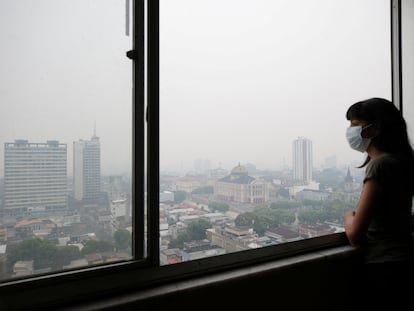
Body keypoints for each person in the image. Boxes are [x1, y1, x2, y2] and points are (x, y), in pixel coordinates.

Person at [344, 97, 414, 309]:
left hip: (385, 267)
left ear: (375, 129)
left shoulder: (380, 166)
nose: (350, 132)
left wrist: (348, 216)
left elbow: (355, 234)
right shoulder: (403, 161)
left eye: (355, 125)